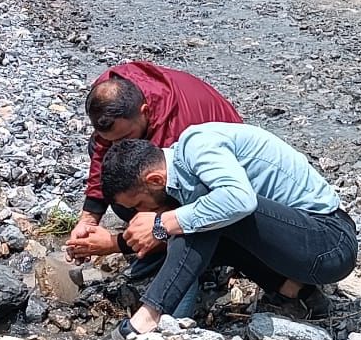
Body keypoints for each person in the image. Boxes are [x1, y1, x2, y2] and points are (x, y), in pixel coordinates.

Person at [100, 123, 358, 335]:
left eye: (140, 205)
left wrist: (161, 223)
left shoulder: (196, 145)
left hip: (330, 242)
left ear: (155, 180)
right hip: (303, 249)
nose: (142, 213)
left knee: (207, 205)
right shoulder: (183, 171)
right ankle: (296, 291)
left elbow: (239, 199)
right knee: (199, 217)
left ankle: (150, 316)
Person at [66, 61, 243, 260]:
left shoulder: (178, 131)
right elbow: (103, 150)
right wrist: (88, 221)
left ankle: (164, 247)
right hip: (159, 149)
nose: (116, 145)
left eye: (124, 137)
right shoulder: (110, 94)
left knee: (140, 196)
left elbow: (186, 203)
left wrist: (117, 244)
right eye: (111, 140)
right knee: (107, 156)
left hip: (222, 181)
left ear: (145, 112)